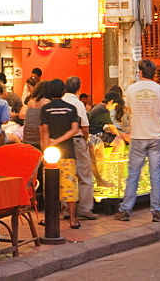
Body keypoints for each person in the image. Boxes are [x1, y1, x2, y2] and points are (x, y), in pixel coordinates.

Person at [116, 59, 160, 223]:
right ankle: (158, 211)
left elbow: (130, 111)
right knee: (156, 176)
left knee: (133, 175)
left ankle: (125, 209)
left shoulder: (132, 90)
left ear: (140, 72)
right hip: (157, 136)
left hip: (139, 135)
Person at [38, 79, 83, 228]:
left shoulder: (46, 109)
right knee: (69, 186)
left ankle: (49, 218)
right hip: (68, 152)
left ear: (49, 93)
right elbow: (75, 129)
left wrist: (46, 150)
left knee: (50, 187)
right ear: (63, 91)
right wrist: (59, 140)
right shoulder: (71, 108)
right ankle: (72, 220)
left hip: (51, 154)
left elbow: (44, 132)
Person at [62, 76, 97, 220]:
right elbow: (85, 127)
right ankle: (84, 208)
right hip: (76, 140)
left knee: (66, 175)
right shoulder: (78, 104)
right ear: (78, 89)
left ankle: (66, 208)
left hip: (62, 142)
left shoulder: (59, 101)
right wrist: (85, 141)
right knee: (84, 175)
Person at [20, 81, 49, 149]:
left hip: (27, 137)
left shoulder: (30, 101)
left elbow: (21, 115)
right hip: (38, 139)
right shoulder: (45, 102)